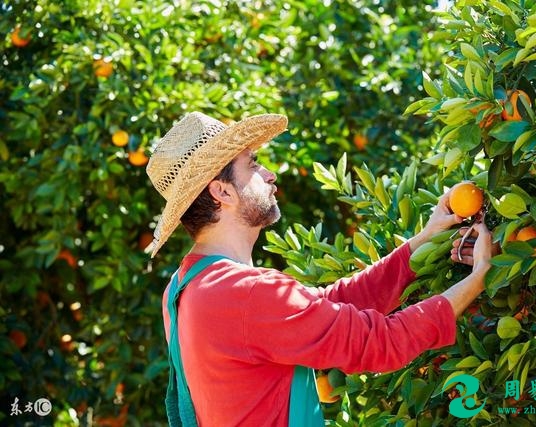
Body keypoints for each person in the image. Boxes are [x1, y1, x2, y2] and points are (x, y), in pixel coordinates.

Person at [145, 111, 493, 427]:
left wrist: (424, 240)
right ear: (223, 192)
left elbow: (325, 307)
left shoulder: (183, 288)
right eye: (252, 165)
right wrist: (478, 277)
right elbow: (381, 342)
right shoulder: (247, 294)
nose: (269, 174)